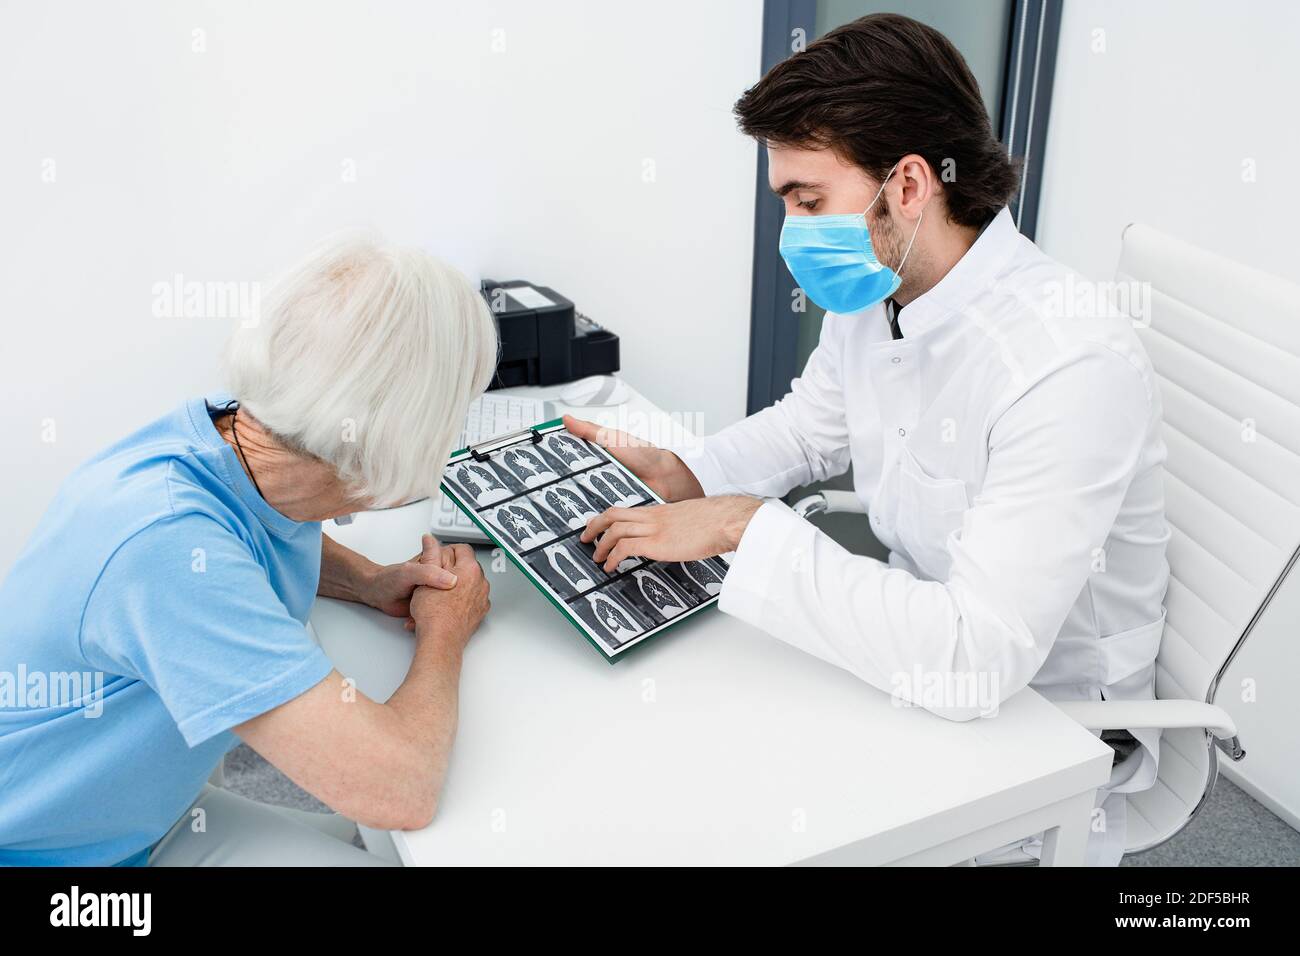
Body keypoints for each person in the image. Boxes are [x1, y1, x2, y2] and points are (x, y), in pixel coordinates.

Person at [569, 13, 1170, 865]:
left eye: (809, 201)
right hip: (912, 651)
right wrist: (689, 472)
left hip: (1046, 724)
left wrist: (743, 527)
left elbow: (976, 656)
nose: (792, 234)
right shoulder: (886, 294)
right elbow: (808, 431)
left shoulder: (1067, 361)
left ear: (911, 186)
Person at [0, 233, 497, 865]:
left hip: (138, 815)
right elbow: (400, 789)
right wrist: (445, 632)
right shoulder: (167, 551)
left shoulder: (218, 439)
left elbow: (246, 535)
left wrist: (367, 579)